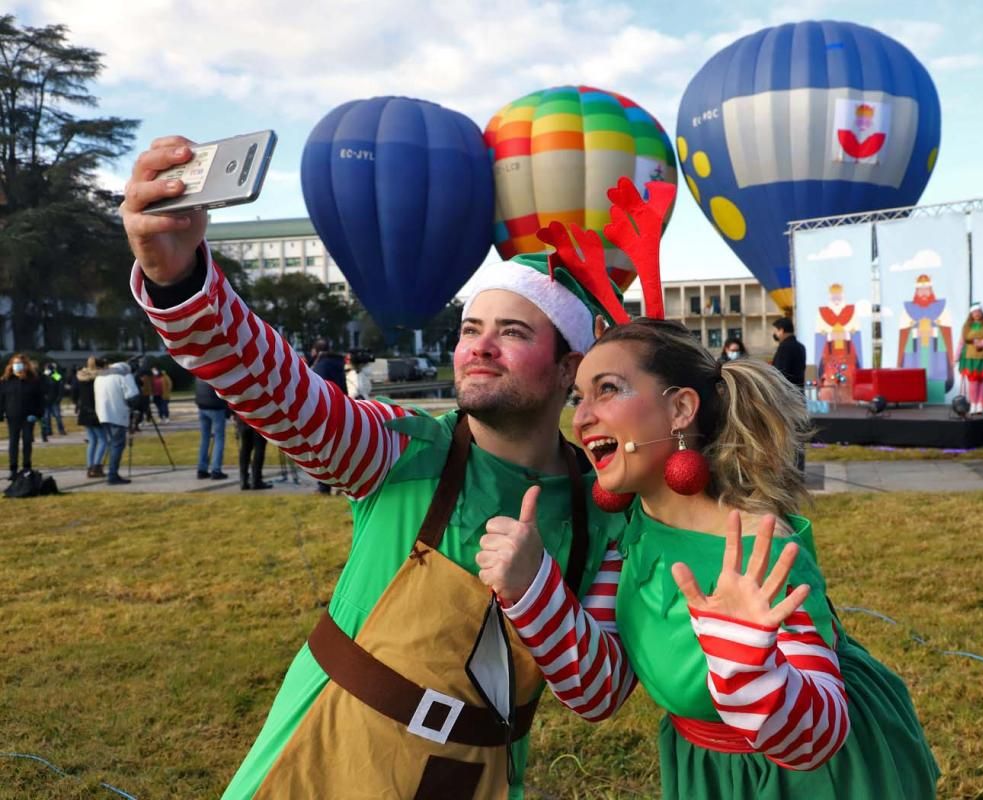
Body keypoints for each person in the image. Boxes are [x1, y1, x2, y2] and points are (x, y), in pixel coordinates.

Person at [119, 134, 627, 800]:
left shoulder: (605, 509)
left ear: (569, 369)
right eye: (472, 329)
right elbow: (274, 388)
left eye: (513, 332)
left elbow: (600, 692)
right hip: (327, 758)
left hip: (475, 777)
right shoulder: (401, 449)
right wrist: (178, 280)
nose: (479, 349)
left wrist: (536, 590)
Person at [481, 317, 940, 799]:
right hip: (705, 769)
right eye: (579, 398)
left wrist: (750, 666)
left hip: (812, 779)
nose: (581, 418)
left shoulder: (759, 545)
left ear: (680, 409)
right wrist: (532, 588)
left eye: (608, 390)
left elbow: (817, 736)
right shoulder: (627, 528)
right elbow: (598, 691)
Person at [896, 274, 955, 403]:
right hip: (915, 352)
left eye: (926, 289)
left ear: (931, 290)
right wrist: (916, 330)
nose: (923, 292)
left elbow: (945, 331)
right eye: (920, 290)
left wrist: (933, 329)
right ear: (916, 291)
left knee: (937, 374)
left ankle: (936, 397)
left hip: (935, 351)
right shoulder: (908, 310)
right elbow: (904, 334)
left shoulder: (941, 308)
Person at [309, 338, 347, 494]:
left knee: (323, 450)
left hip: (323, 412)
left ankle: (324, 485)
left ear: (316, 351)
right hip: (339, 409)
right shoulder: (338, 364)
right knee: (339, 448)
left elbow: (315, 389)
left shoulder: (320, 366)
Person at [94, 361, 140, 485]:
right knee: (117, 445)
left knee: (112, 443)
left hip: (103, 414)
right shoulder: (124, 374)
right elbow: (133, 396)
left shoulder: (100, 375)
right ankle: (112, 475)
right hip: (117, 414)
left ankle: (111, 473)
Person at [771, 316, 808, 473]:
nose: (775, 334)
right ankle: (799, 469)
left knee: (785, 436)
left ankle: (788, 471)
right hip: (799, 394)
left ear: (782, 330)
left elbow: (780, 374)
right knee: (798, 436)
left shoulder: (784, 348)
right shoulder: (800, 347)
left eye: (776, 330)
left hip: (786, 397)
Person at [1, 353, 44, 480]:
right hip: (12, 415)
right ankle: (13, 468)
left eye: (19, 363)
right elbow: (2, 399)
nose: (17, 366)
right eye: (15, 363)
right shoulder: (6, 381)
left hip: (28, 416)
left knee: (27, 441)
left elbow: (39, 399)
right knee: (13, 442)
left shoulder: (33, 381)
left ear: (25, 365)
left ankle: (26, 467)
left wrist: (37, 414)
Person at [955, 303, 983, 416]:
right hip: (970, 356)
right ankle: (973, 404)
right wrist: (956, 357)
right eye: (974, 312)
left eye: (978, 311)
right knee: (973, 381)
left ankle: (980, 404)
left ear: (982, 313)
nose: (976, 314)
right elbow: (961, 343)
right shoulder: (966, 327)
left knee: (981, 380)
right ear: (971, 314)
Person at [74, 356, 109, 478]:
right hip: (96, 412)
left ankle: (90, 467)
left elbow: (74, 393)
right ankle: (96, 466)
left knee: (92, 440)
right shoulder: (99, 378)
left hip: (84, 411)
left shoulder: (81, 377)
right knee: (103, 440)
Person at [194, 379, 229, 480]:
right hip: (216, 407)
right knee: (219, 439)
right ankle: (216, 470)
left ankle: (202, 469)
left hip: (202, 405)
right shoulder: (216, 368)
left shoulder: (199, 368)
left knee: (205, 439)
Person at [235, 417, 272, 491]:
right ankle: (256, 480)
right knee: (259, 448)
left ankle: (243, 480)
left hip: (243, 417)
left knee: (245, 448)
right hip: (259, 418)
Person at [40, 361, 67, 440]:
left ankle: (61, 429)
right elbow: (41, 387)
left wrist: (59, 397)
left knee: (58, 416)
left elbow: (60, 387)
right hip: (46, 400)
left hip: (55, 399)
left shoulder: (55, 375)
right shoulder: (43, 376)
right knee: (46, 417)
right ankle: (49, 431)